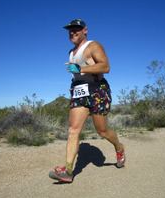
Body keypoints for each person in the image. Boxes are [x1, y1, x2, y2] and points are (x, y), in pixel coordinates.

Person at [49, 19, 125, 183]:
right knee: (73, 130)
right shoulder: (71, 52)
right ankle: (68, 171)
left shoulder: (93, 46)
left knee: (102, 131)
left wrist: (81, 68)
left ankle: (119, 148)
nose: (73, 32)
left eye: (76, 29)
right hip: (78, 90)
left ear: (85, 30)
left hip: (97, 89)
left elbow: (105, 67)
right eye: (70, 30)